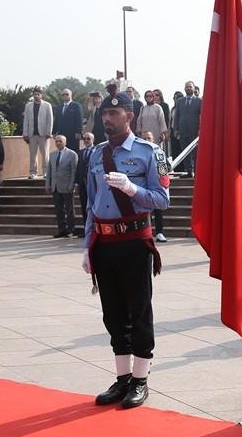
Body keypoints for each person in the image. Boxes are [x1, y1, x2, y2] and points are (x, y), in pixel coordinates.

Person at [84, 88, 171, 409]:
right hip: (104, 242)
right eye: (104, 114)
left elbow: (162, 199)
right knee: (113, 313)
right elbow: (92, 205)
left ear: (129, 117)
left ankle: (140, 379)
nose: (107, 119)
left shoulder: (150, 153)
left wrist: (132, 188)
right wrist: (86, 248)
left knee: (139, 310)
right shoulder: (95, 154)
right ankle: (122, 379)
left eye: (114, 114)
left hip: (135, 242)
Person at [46, 134, 79, 238]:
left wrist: (72, 184)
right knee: (58, 209)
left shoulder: (72, 154)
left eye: (60, 141)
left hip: (67, 186)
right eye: (56, 141)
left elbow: (74, 171)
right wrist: (48, 184)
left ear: (65, 142)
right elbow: (49, 171)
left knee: (69, 210)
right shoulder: (52, 154)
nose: (58, 143)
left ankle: (70, 230)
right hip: (55, 186)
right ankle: (61, 230)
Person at [23, 87, 54, 178]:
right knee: (33, 154)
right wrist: (25, 133)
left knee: (45, 153)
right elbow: (26, 120)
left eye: (38, 94)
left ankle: (45, 172)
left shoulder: (47, 105)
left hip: (44, 134)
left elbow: (50, 119)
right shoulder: (28, 105)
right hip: (32, 133)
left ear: (41, 95)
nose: (36, 96)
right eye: (35, 94)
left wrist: (49, 131)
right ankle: (33, 172)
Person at [173, 81, 201, 177]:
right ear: (184, 89)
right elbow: (177, 116)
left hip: (195, 131)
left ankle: (197, 171)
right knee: (185, 152)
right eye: (187, 87)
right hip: (183, 131)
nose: (188, 88)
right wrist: (175, 129)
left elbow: (203, 116)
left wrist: (201, 129)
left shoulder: (199, 101)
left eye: (190, 87)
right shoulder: (180, 101)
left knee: (196, 153)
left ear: (194, 88)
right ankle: (189, 172)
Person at [75, 132, 96, 234]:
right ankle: (86, 229)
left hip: (95, 185)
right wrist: (76, 183)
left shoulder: (98, 151)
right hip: (83, 184)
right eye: (84, 139)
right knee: (84, 207)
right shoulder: (80, 153)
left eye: (88, 138)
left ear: (93, 140)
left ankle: (95, 229)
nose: (86, 140)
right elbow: (78, 169)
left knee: (95, 207)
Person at [53, 88, 85, 153]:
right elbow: (56, 120)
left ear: (71, 95)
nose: (65, 96)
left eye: (67, 94)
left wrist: (78, 132)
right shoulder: (59, 107)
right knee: (62, 151)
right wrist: (54, 132)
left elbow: (79, 119)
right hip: (61, 134)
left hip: (73, 134)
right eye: (63, 95)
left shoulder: (76, 106)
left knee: (73, 151)